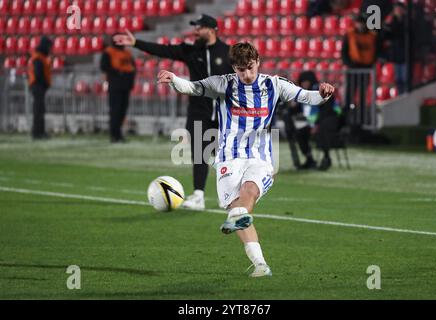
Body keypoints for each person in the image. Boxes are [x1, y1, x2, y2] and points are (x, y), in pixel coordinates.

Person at [157, 42, 335, 277]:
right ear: (234, 68)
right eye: (242, 70)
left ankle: (238, 219)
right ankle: (261, 265)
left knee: (249, 192)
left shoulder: (274, 84)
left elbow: (306, 97)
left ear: (258, 62)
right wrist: (173, 79)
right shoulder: (223, 83)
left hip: (259, 157)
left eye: (250, 68)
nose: (247, 74)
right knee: (239, 210)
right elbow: (192, 87)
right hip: (228, 158)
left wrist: (323, 94)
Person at [113, 14, 234, 210]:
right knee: (200, 154)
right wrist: (136, 43)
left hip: (224, 113)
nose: (195, 31)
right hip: (198, 111)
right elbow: (163, 50)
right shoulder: (190, 50)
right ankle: (198, 196)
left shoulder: (227, 52)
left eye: (199, 27)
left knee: (226, 155)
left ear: (211, 30)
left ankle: (227, 194)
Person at [281, 71, 342, 171]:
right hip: (313, 123)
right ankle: (309, 159)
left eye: (306, 82)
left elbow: (327, 109)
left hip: (330, 119)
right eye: (302, 82)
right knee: (300, 133)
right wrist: (291, 107)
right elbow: (299, 108)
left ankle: (326, 158)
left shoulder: (321, 91)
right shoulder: (304, 93)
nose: (304, 84)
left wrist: (316, 125)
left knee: (323, 128)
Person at [342, 14, 379, 124]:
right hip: (353, 69)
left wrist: (371, 64)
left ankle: (362, 120)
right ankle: (345, 120)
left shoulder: (372, 36)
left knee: (363, 95)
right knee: (350, 95)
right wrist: (349, 64)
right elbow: (344, 52)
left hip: (366, 69)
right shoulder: (349, 35)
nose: (360, 25)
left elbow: (376, 51)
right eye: (358, 23)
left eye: (362, 23)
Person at [100, 35, 137, 143]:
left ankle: (119, 134)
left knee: (122, 111)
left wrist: (129, 79)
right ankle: (114, 135)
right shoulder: (109, 52)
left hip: (125, 85)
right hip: (115, 85)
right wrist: (118, 73)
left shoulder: (127, 53)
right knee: (115, 111)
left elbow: (133, 67)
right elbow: (104, 66)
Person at [28, 36, 53, 140]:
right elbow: (38, 74)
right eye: (48, 46)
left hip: (38, 86)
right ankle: (37, 133)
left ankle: (40, 132)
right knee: (38, 110)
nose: (49, 49)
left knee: (40, 110)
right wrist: (45, 83)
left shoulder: (40, 57)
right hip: (38, 86)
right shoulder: (38, 57)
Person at [382, 2, 407, 94]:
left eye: (400, 9)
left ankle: (406, 97)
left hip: (406, 54)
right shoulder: (391, 22)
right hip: (396, 55)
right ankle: (401, 96)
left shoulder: (408, 21)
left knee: (405, 79)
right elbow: (385, 37)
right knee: (398, 79)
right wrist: (387, 25)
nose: (398, 11)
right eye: (396, 9)